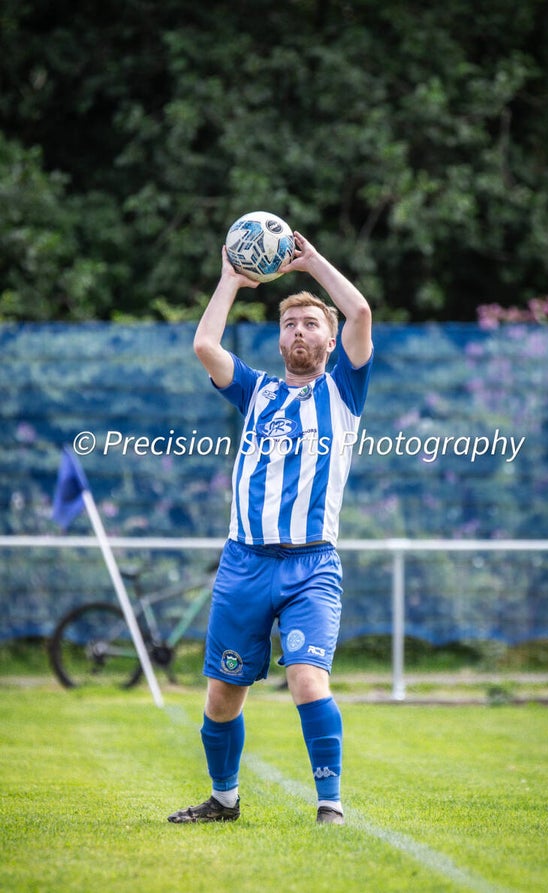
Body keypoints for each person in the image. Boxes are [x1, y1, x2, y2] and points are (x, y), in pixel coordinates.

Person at [168, 230, 373, 826]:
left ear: (330, 341)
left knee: (308, 679)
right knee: (222, 695)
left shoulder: (343, 392)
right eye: (290, 325)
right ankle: (224, 801)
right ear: (279, 339)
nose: (300, 332)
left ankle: (330, 804)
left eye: (311, 324)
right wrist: (233, 278)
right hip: (246, 563)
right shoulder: (256, 391)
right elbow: (205, 343)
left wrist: (309, 264)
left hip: (312, 565)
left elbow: (359, 309)